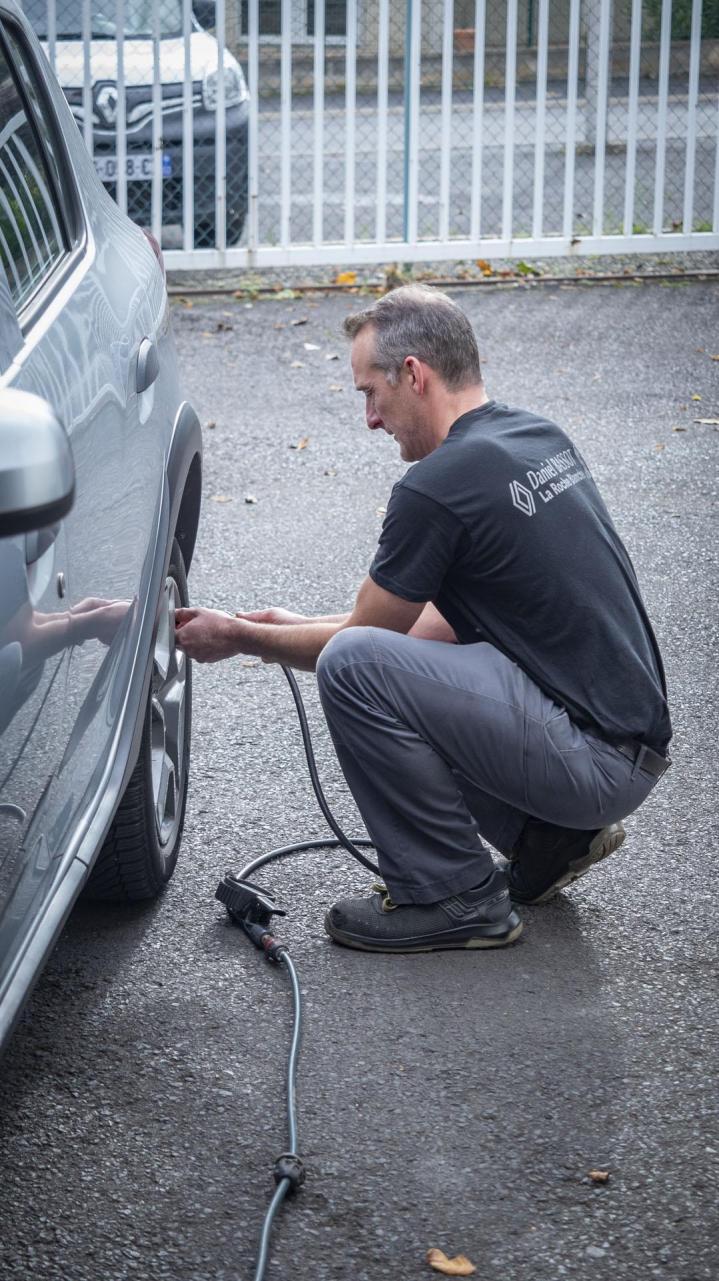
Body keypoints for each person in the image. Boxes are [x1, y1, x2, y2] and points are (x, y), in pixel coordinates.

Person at [175, 285, 671, 954]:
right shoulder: (528, 435)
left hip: (592, 761)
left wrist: (239, 637)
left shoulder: (435, 485)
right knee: (391, 664)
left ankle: (451, 895)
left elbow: (360, 646)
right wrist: (289, 624)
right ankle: (547, 839)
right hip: (620, 748)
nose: (370, 419)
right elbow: (425, 633)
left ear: (413, 373)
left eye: (368, 392)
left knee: (353, 668)